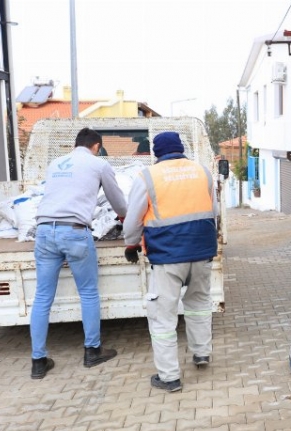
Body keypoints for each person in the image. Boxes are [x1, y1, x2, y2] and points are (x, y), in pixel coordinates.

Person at [123, 131, 217, 392]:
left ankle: (169, 377)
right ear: (181, 148)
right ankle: (201, 353)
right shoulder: (202, 171)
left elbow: (133, 219)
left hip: (167, 256)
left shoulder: (148, 176)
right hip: (201, 251)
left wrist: (131, 244)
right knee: (198, 304)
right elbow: (214, 211)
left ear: (157, 153)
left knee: (163, 318)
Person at [30, 127, 127, 379]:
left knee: (42, 297)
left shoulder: (55, 164)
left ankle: (38, 362)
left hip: (43, 230)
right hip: (74, 231)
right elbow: (118, 203)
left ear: (76, 144)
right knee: (88, 292)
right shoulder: (98, 164)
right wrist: (127, 217)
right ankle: (92, 351)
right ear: (96, 146)